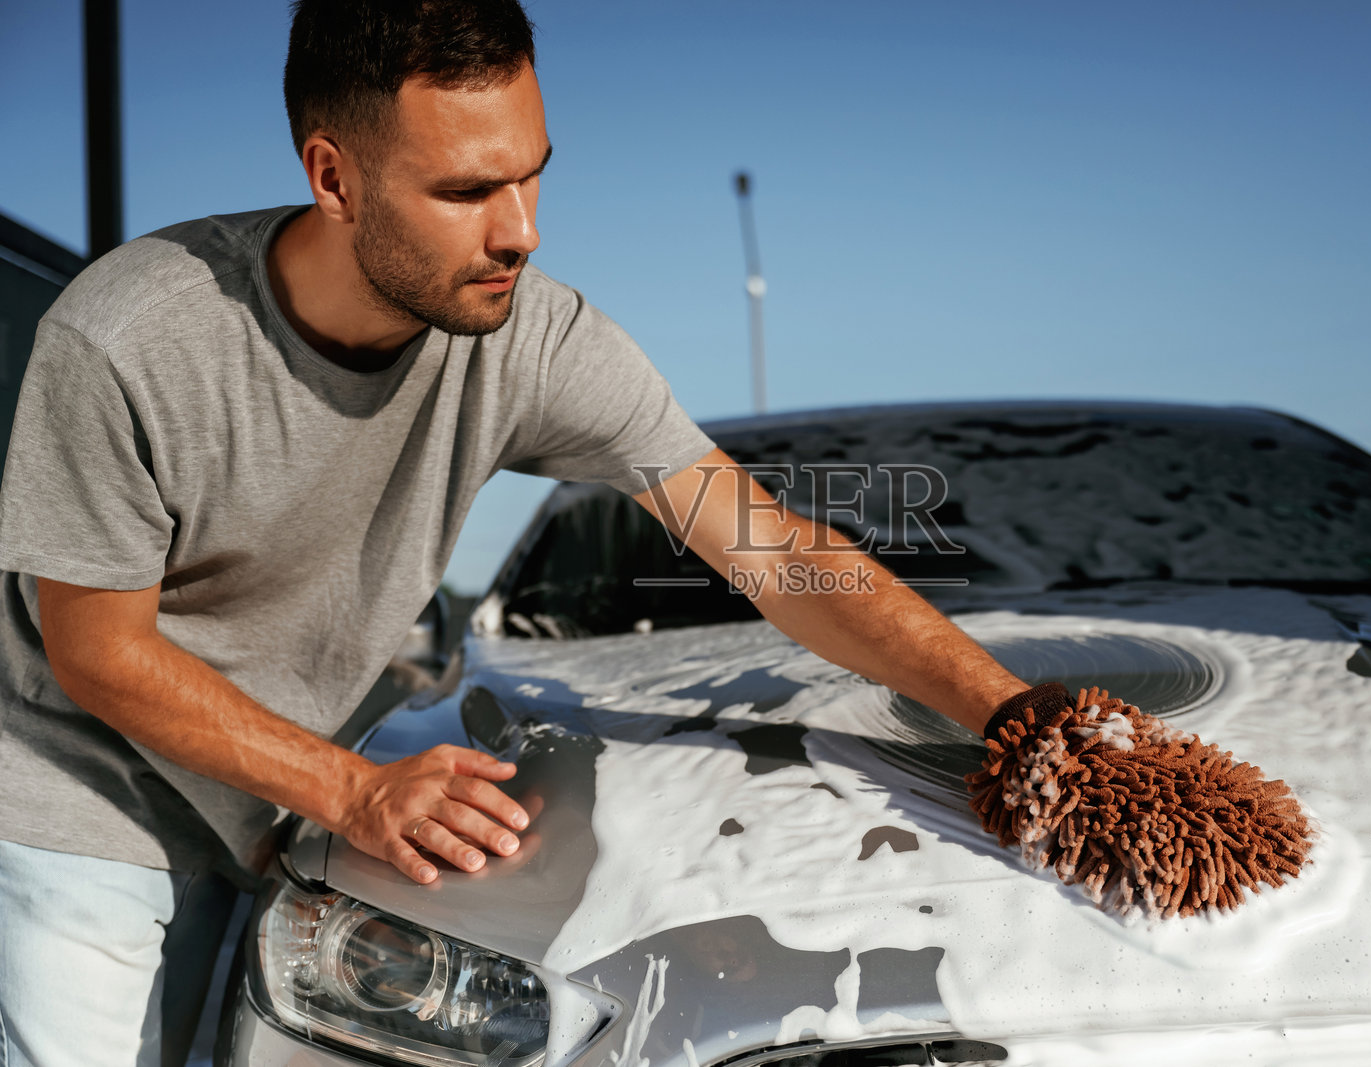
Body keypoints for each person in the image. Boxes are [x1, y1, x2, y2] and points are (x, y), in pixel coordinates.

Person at [0, 2, 1027, 1065]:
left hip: (286, 816)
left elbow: (771, 549)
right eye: (466, 191)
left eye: (531, 173)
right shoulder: (126, 340)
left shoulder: (534, 337)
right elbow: (97, 649)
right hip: (85, 809)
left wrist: (1014, 717)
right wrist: (353, 788)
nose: (520, 229)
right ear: (334, 176)